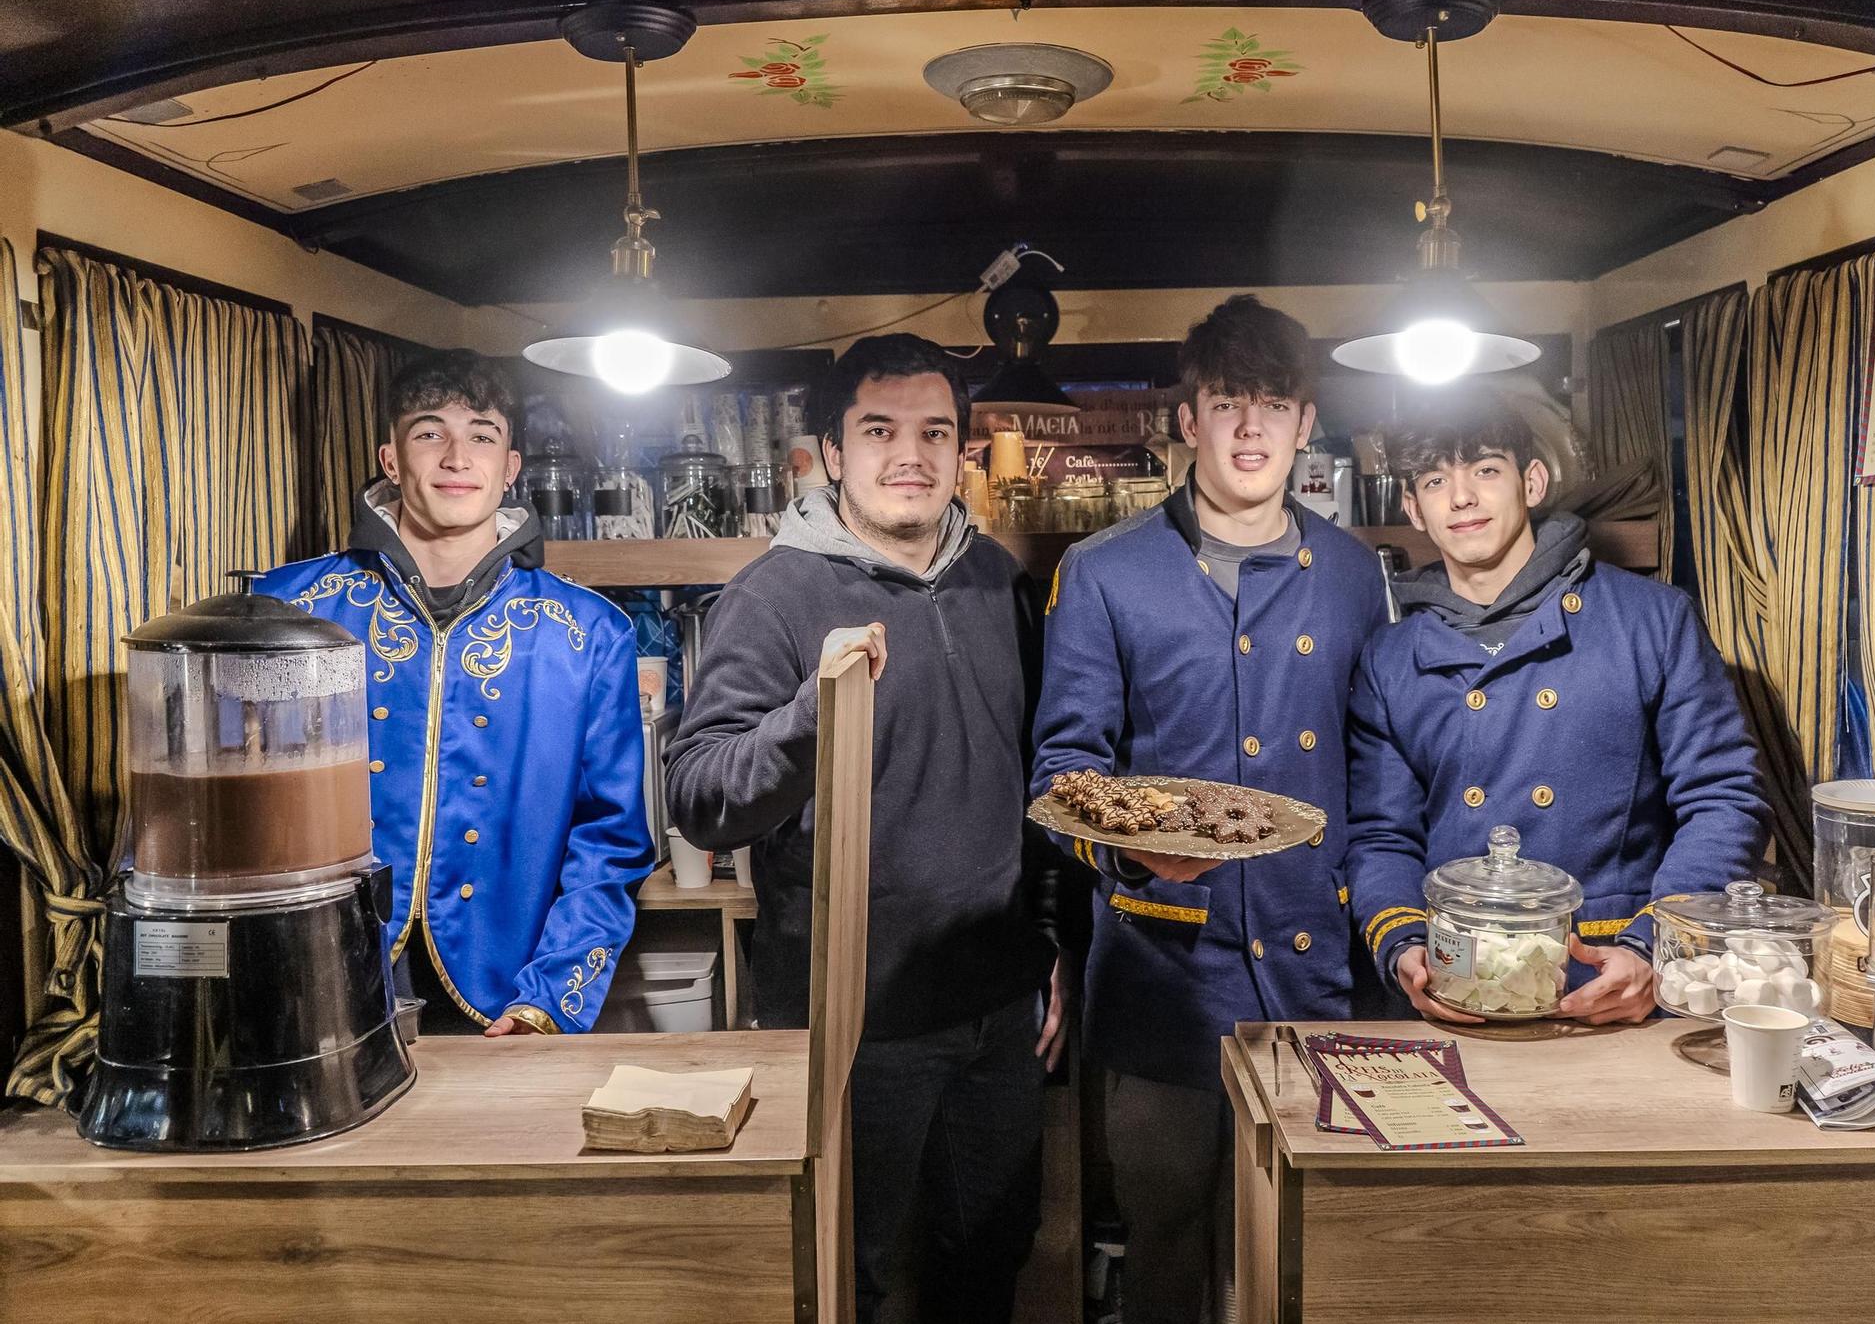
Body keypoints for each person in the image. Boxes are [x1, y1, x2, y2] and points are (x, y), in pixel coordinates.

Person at [664, 333, 1062, 1323]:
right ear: (829, 454)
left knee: (989, 1256)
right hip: (851, 1019)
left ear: (962, 450)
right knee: (855, 1274)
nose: (910, 455)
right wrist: (809, 716)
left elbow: (1045, 784)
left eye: (935, 432)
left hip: (998, 1010)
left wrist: (1056, 941)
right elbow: (702, 792)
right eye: (878, 430)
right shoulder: (774, 594)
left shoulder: (1000, 585)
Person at [1033, 295, 1386, 1324]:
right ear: (1185, 419)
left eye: (1271, 405)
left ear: (1304, 424)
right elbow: (1062, 775)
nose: (1247, 429)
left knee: (1312, 1248)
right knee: (1164, 1233)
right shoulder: (1102, 572)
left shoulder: (1356, 575)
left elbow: (1382, 765)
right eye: (1226, 403)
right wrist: (1134, 862)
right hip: (1161, 972)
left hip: (1319, 964)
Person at [257, 351, 651, 1036]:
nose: (456, 456)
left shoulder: (588, 633)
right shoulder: (291, 611)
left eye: (482, 436)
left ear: (511, 467)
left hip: (508, 996)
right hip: (317, 988)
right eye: (429, 432)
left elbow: (609, 844)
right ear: (390, 457)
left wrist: (551, 999)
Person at [1346, 402, 1770, 1025]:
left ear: (1533, 482)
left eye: (1486, 470)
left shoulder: (1652, 621)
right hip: (1456, 985)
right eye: (1436, 481)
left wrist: (1656, 945)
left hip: (1609, 982)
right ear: (1412, 509)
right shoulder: (1389, 658)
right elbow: (1382, 835)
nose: (1462, 498)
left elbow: (1724, 799)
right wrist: (1405, 948)